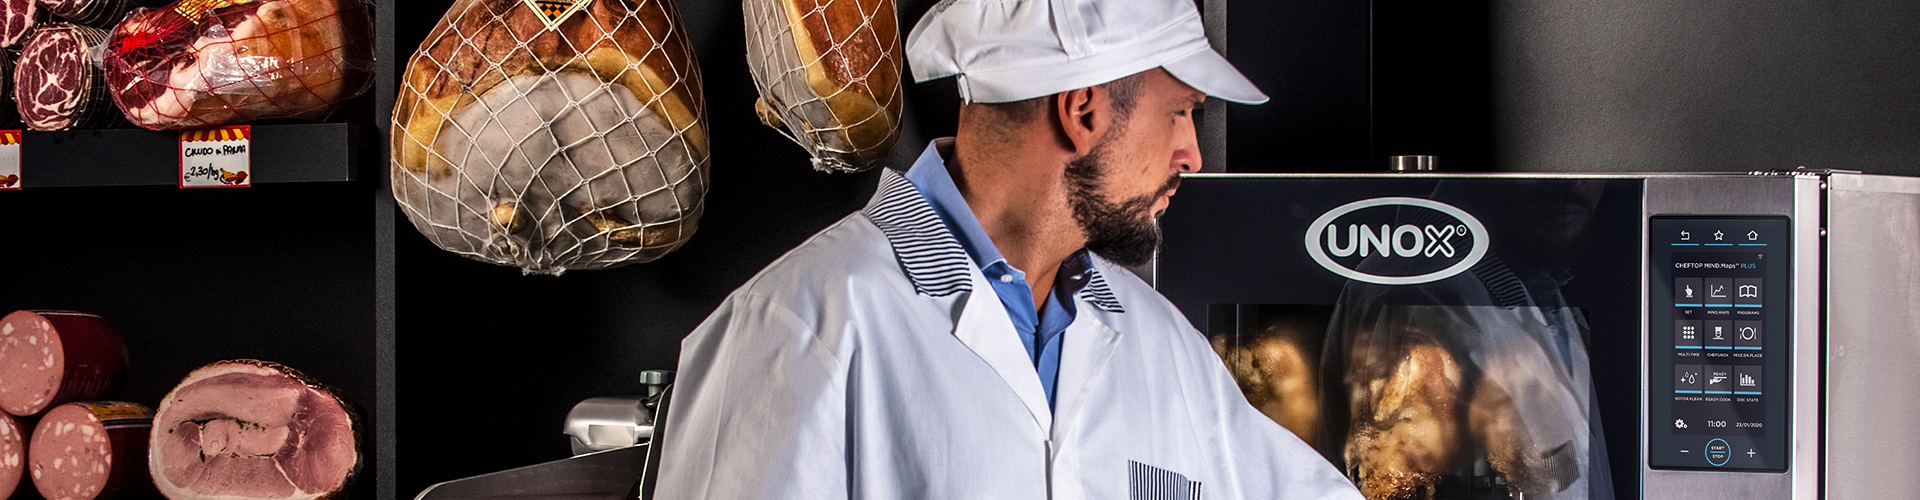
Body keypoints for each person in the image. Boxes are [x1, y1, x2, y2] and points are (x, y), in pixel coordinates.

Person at [656, 0, 1363, 498]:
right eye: (1179, 113)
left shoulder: (1160, 344)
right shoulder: (798, 324)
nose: (1191, 154)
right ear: (1082, 110)